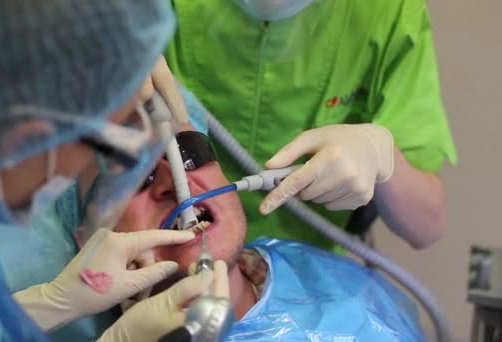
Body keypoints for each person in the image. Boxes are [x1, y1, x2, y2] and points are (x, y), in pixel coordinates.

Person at [0, 0, 216, 340]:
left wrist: (50, 304)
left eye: (189, 152)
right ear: (22, 140)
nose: (168, 179)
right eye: (106, 148)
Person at [164, 0, 457, 250]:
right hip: (164, 254)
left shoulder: (386, 12)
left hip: (307, 278)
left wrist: (378, 153)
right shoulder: (151, 11)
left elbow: (427, 225)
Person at [85, 125, 424, 341]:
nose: (173, 180)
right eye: (131, 177)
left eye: (187, 151)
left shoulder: (329, 282)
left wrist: (380, 147)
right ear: (87, 240)